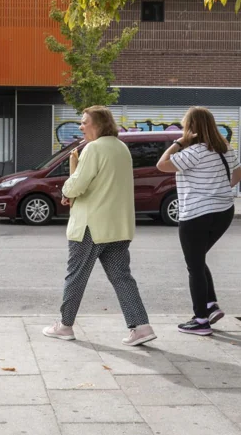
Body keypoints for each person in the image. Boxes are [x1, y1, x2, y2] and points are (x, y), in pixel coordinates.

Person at [44, 105, 157, 347]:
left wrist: (66, 191)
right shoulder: (121, 148)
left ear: (99, 124)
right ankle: (141, 326)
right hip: (117, 227)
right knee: (122, 278)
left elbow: (77, 184)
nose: (81, 126)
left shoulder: (93, 149)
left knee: (75, 277)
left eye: (85, 122)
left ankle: (65, 326)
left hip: (90, 227)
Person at [157, 106, 241, 336]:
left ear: (191, 128)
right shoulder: (225, 148)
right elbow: (238, 176)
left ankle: (201, 321)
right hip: (223, 211)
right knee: (198, 259)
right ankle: (211, 305)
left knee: (194, 266)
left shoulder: (194, 151)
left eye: (186, 126)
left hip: (196, 214)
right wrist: (216, 190)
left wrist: (179, 142)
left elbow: (162, 164)